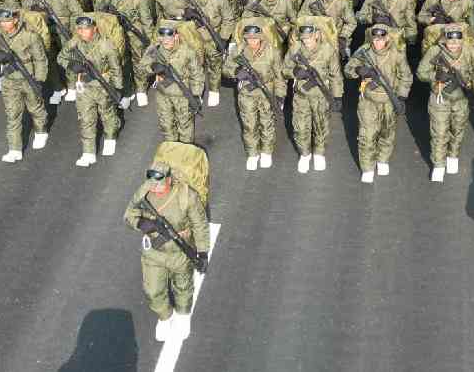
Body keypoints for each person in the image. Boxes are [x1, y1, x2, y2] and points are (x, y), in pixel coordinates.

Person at [123, 161, 210, 343]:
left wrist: (202, 252)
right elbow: (129, 214)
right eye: (153, 184)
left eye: (160, 184)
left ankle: (183, 316)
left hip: (180, 251)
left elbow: (199, 224)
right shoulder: (144, 192)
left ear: (169, 179)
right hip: (153, 252)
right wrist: (140, 223)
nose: (156, 188)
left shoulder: (186, 195)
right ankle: (165, 317)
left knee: (183, 287)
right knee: (153, 290)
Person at [416, 24, 474, 181]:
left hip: (461, 99)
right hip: (439, 98)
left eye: (457, 41)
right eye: (450, 41)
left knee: (457, 130)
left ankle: (453, 156)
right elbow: (421, 72)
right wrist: (436, 77)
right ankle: (439, 165)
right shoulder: (435, 51)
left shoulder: (470, 53)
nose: (453, 44)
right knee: (439, 132)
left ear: (462, 40)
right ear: (444, 39)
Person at [344, 25, 411, 183]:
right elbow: (348, 69)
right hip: (368, 100)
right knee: (367, 135)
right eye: (375, 39)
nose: (378, 43)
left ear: (387, 38)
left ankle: (382, 160)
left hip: (389, 99)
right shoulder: (364, 52)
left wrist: (401, 96)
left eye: (381, 39)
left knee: (387, 133)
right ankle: (367, 168)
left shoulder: (396, 54)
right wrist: (359, 70)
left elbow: (406, 76)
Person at [0, 8, 50, 163]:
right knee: (12, 114)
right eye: (1, 22)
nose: (4, 24)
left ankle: (41, 131)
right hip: (9, 79)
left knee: (35, 108)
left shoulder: (30, 36)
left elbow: (40, 59)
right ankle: (14, 149)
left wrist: (39, 79)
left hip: (29, 77)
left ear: (15, 20)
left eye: (7, 21)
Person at [59, 15, 124, 166]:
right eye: (80, 29)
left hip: (103, 85)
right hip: (84, 85)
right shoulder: (75, 42)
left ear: (94, 29)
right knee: (86, 118)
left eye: (86, 29)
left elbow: (116, 68)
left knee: (107, 115)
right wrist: (72, 66)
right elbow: (61, 57)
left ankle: (110, 136)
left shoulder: (106, 45)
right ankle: (88, 152)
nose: (82, 32)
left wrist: (117, 88)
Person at [283, 18, 343, 173]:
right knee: (300, 127)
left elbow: (335, 75)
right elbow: (284, 69)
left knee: (321, 126)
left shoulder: (328, 50)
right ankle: (304, 155)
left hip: (322, 96)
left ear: (316, 35)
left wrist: (337, 96)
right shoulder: (295, 48)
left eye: (309, 38)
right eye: (303, 38)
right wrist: (295, 72)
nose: (306, 41)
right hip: (301, 95)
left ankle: (319, 154)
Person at [224, 22, 286, 170]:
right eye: (249, 38)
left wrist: (280, 96)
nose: (252, 41)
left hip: (267, 92)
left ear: (261, 37)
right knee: (249, 124)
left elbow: (280, 76)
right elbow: (226, 68)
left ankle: (266, 152)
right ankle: (252, 154)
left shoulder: (272, 52)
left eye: (255, 38)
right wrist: (237, 72)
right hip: (247, 93)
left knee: (267, 123)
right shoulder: (239, 50)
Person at [141, 21, 206, 143]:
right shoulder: (155, 49)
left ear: (176, 36)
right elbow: (142, 66)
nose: (165, 41)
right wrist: (152, 68)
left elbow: (197, 73)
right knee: (166, 125)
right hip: (163, 94)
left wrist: (197, 95)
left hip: (182, 95)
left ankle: (185, 152)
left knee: (185, 126)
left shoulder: (187, 51)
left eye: (169, 37)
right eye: (162, 37)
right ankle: (172, 149)